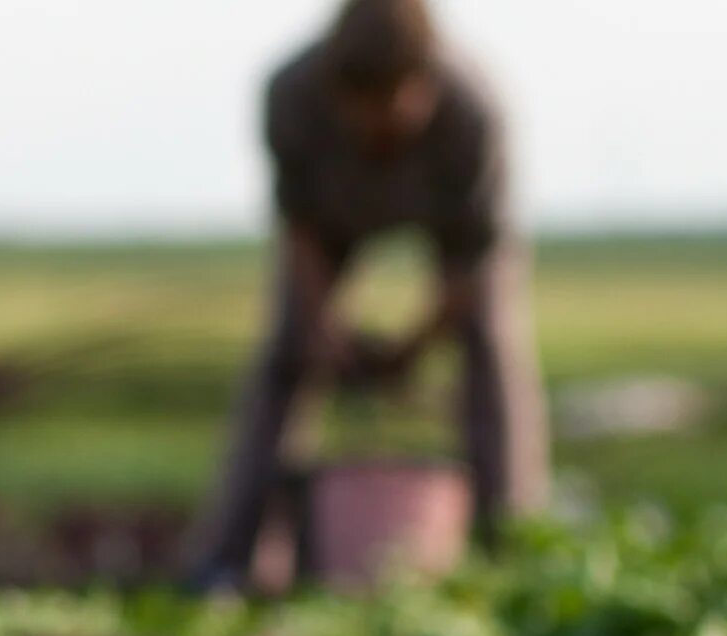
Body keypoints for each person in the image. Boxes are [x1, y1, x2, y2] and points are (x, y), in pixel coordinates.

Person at [184, 0, 549, 593]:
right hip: (332, 219)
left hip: (453, 230)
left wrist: (413, 347)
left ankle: (511, 544)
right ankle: (230, 557)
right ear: (333, 91)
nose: (375, 129)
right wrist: (321, 323)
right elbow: (297, 227)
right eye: (360, 112)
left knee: (492, 348)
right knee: (286, 353)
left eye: (393, 109)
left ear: (426, 82)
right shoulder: (290, 94)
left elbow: (476, 260)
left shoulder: (475, 110)